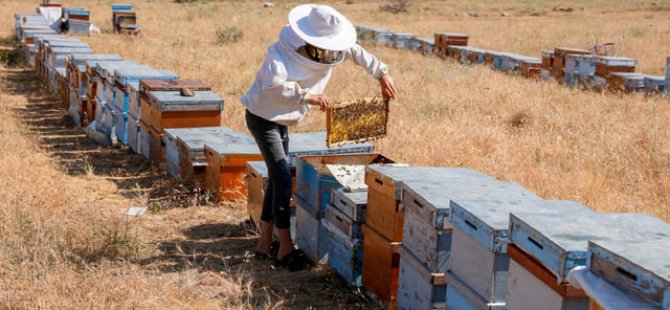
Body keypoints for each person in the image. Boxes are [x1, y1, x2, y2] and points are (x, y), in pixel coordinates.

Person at [242, 4, 397, 271]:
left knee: (277, 175)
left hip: (283, 120)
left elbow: (356, 51)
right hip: (262, 117)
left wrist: (381, 73)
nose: (329, 53)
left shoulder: (333, 49)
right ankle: (285, 246)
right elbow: (272, 86)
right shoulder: (279, 52)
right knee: (280, 175)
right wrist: (307, 96)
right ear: (309, 38)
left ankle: (264, 241)